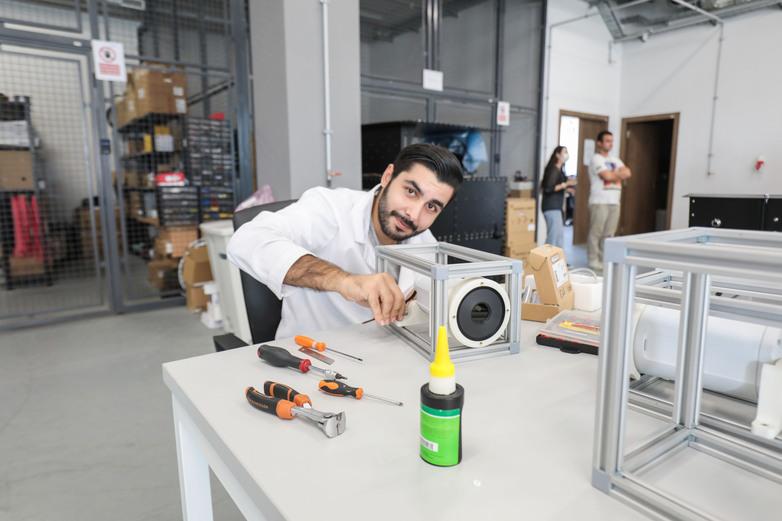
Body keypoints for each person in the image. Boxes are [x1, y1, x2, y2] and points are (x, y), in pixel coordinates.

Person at [227, 143, 464, 339]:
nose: (414, 214)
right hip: (308, 358)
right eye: (411, 192)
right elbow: (247, 240)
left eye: (431, 207)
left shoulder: (426, 244)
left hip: (384, 362)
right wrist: (344, 281)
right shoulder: (330, 208)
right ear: (388, 176)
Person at [587, 130, 632, 272]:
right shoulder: (596, 159)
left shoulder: (615, 160)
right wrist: (617, 175)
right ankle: (593, 260)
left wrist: (614, 175)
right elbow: (606, 176)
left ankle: (605, 259)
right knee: (596, 232)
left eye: (611, 141)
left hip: (614, 201)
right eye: (607, 141)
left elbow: (628, 173)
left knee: (609, 234)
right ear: (599, 143)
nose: (610, 144)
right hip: (600, 201)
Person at [540, 146, 576, 248]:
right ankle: (545, 261)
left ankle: (558, 261)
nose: (566, 154)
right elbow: (548, 188)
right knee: (553, 238)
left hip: (556, 207)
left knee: (559, 236)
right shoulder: (553, 169)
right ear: (557, 154)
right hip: (551, 207)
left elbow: (557, 187)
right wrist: (565, 184)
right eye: (564, 152)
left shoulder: (560, 170)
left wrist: (568, 189)